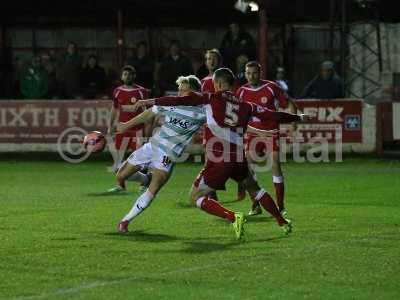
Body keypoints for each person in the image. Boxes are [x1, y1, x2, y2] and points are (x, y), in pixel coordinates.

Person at [133, 68, 307, 238]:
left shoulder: (209, 98)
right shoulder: (246, 105)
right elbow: (273, 115)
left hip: (219, 160)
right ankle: (282, 221)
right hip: (239, 159)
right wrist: (298, 117)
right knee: (256, 190)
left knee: (195, 197)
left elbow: (178, 101)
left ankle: (233, 217)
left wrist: (150, 101)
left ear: (217, 83)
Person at [115, 75, 207, 233]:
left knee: (154, 188)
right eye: (179, 89)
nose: (179, 92)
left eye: (182, 88)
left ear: (193, 90)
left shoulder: (202, 112)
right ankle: (145, 178)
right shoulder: (172, 103)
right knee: (120, 175)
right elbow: (150, 112)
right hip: (152, 146)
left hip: (168, 155)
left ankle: (125, 221)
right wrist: (126, 126)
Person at [237, 61, 297, 216]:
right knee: (248, 169)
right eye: (248, 73)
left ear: (260, 73)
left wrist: (293, 123)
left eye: (254, 73)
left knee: (275, 165)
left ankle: (280, 206)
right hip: (252, 134)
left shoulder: (271, 87)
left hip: (270, 132)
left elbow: (290, 103)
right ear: (245, 74)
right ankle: (255, 205)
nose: (251, 76)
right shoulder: (241, 91)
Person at [107, 65, 151, 174]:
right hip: (122, 130)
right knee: (119, 160)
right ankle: (120, 186)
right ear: (122, 77)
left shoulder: (141, 91)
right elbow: (114, 109)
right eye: (125, 74)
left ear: (134, 76)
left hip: (138, 130)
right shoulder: (117, 91)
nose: (128, 77)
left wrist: (147, 129)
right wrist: (110, 126)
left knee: (140, 159)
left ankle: (143, 184)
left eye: (130, 74)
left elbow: (148, 112)